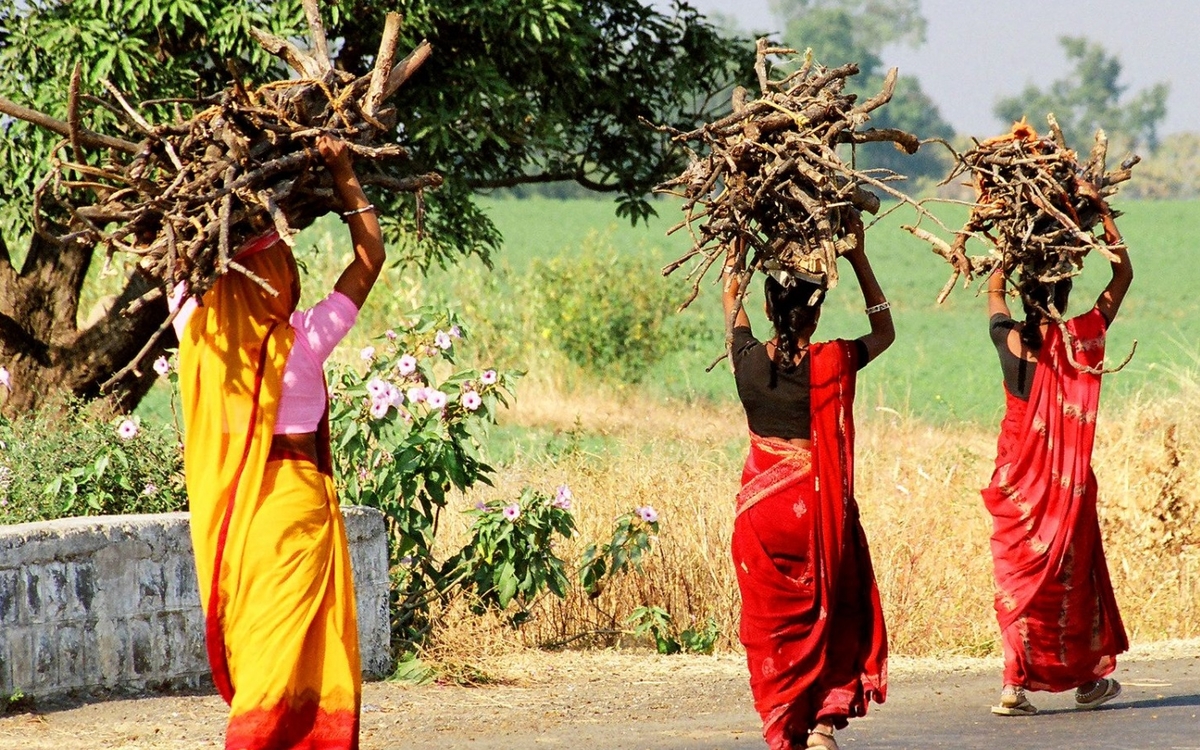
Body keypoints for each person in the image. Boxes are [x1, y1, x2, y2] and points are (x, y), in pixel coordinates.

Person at [173, 134, 384, 749]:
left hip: (241, 522)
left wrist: (190, 204)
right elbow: (369, 256)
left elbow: (170, 261)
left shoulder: (202, 340)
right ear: (281, 279)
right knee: (299, 651)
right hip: (299, 513)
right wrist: (344, 171)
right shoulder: (306, 340)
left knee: (263, 649)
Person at [722, 212, 893, 750]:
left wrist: (740, 245)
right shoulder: (836, 359)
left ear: (769, 308)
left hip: (762, 515)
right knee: (835, 606)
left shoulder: (746, 360)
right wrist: (858, 257)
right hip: (818, 513)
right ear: (814, 317)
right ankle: (822, 724)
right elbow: (885, 330)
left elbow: (731, 297)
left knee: (771, 625)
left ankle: (783, 720)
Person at [982, 180, 1133, 717]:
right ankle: (1085, 681)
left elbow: (994, 293)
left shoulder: (1009, 341)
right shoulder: (1081, 337)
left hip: (1015, 479)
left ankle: (1012, 683)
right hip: (1066, 483)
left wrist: (1000, 226)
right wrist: (1095, 208)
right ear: (1066, 298)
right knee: (1072, 578)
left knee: (1018, 575)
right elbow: (1123, 274)